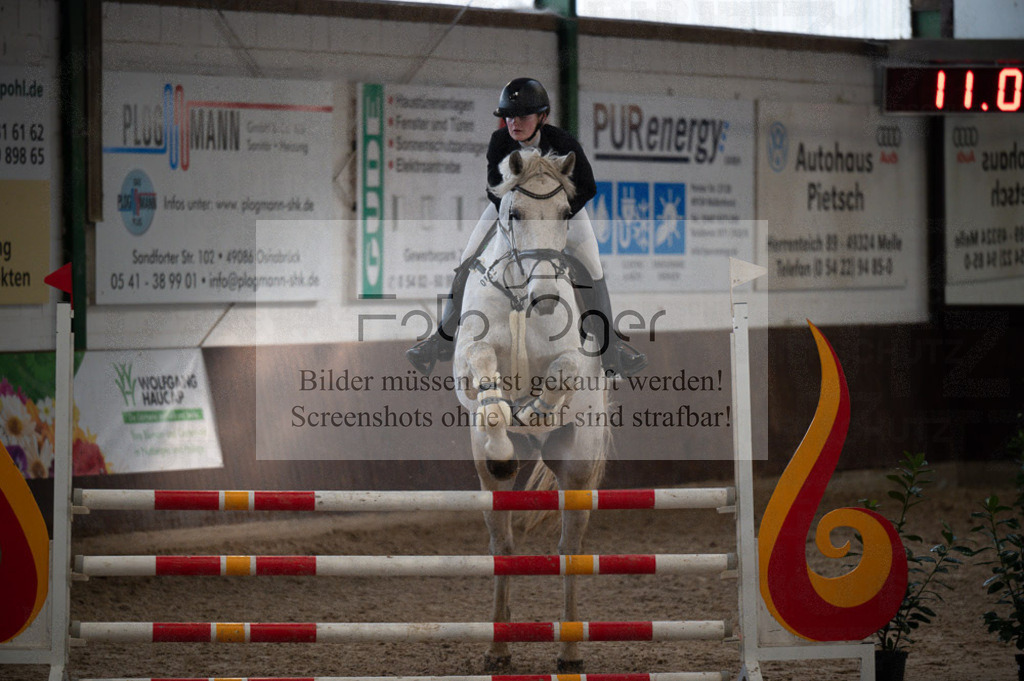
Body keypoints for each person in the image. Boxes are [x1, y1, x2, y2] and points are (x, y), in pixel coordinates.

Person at [406, 77, 647, 378]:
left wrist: (555, 217)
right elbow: (494, 188)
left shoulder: (564, 144)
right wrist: (522, 219)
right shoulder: (499, 144)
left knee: (594, 269)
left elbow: (588, 186)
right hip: (510, 213)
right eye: (508, 116)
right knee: (467, 261)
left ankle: (613, 352)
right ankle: (440, 340)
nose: (513, 122)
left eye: (522, 116)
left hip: (564, 214)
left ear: (542, 117)